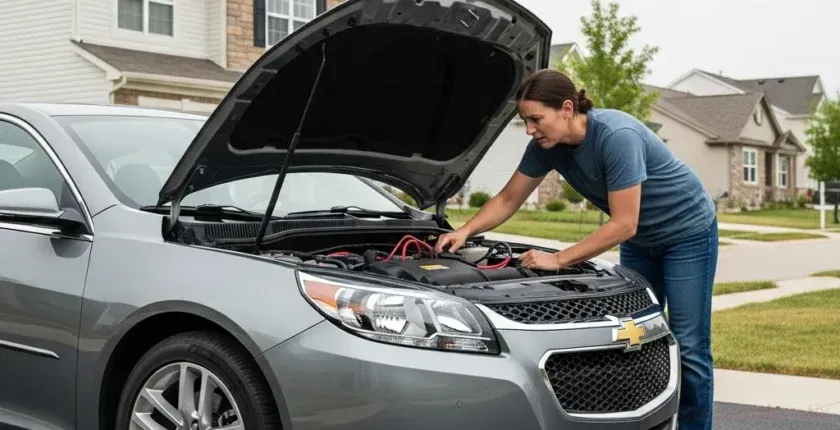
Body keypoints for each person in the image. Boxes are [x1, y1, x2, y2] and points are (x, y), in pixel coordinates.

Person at [435, 69, 718, 430]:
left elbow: (623, 223)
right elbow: (509, 198)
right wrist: (466, 230)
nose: (530, 130)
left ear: (567, 109)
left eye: (536, 119)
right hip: (641, 240)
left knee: (690, 347)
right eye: (526, 121)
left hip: (688, 232)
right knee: (630, 339)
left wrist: (557, 259)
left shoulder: (617, 136)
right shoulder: (545, 148)